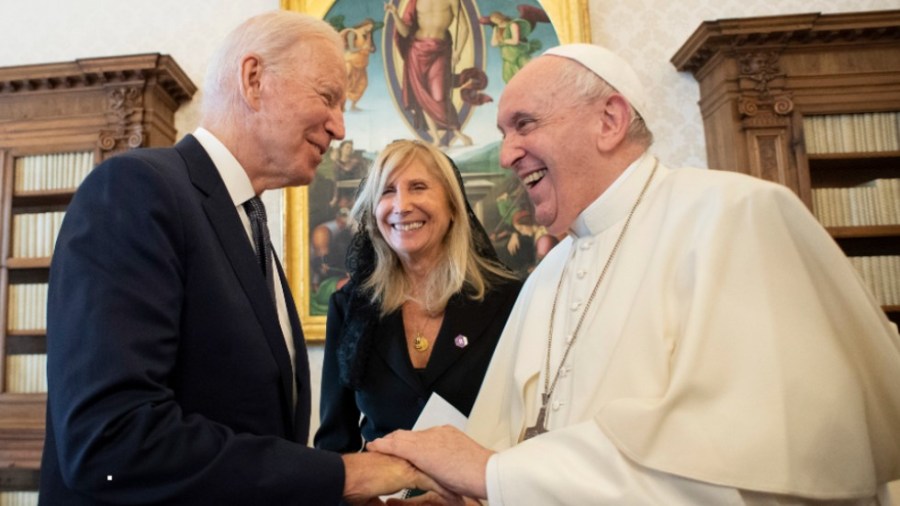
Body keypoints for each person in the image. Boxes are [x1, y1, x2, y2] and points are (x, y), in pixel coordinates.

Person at [368, 44, 900, 503]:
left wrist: (494, 475)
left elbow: (755, 474)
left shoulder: (735, 216)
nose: (507, 153)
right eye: (504, 132)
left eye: (524, 124)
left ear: (610, 120)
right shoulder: (549, 274)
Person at [39, 11, 453, 506]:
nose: (340, 127)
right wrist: (346, 475)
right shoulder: (137, 190)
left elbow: (248, 449)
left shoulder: (246, 224)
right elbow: (111, 442)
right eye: (327, 98)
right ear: (254, 79)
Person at [315, 140, 522, 456]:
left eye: (418, 187)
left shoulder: (508, 300)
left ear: (453, 206)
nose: (401, 205)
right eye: (387, 191)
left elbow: (526, 425)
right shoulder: (349, 306)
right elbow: (334, 443)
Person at [385, 0, 476, 147]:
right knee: (422, 94)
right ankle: (436, 139)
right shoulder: (415, 1)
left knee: (439, 94)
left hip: (440, 49)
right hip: (416, 50)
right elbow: (405, 32)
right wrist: (395, 14)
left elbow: (464, 27)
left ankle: (457, 132)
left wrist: (458, 50)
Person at [340, 18, 378, 111]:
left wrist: (371, 49)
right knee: (345, 83)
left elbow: (372, 49)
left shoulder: (368, 35)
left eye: (371, 28)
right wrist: (362, 48)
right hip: (350, 62)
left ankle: (353, 106)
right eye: (369, 26)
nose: (369, 29)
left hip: (361, 64)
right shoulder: (353, 33)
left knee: (363, 84)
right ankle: (341, 105)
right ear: (364, 24)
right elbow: (352, 49)